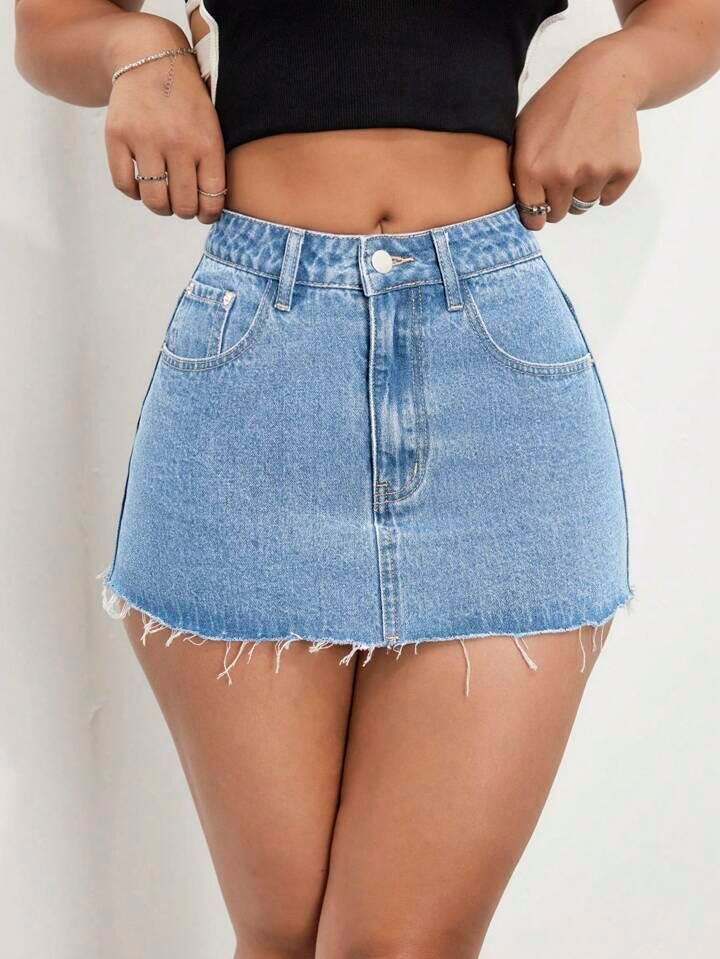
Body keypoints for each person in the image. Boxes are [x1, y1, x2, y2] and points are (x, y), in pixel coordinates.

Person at [14, 1, 720, 955]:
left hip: (495, 373)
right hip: (254, 369)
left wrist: (619, 67)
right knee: (283, 934)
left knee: (395, 943)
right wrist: (135, 46)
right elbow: (50, 26)